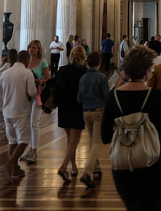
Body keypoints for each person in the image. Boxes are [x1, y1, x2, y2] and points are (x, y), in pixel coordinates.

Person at [101, 45, 161, 211]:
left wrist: (126, 132)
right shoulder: (155, 95)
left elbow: (105, 136)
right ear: (146, 71)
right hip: (150, 164)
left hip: (122, 165)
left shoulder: (113, 96)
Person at [0, 49, 35, 181]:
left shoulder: (5, 73)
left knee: (12, 141)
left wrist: (3, 109)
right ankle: (10, 164)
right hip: (21, 112)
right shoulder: (27, 73)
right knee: (23, 141)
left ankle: (16, 169)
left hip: (7, 112)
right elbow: (32, 92)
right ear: (27, 60)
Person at [55, 45, 88, 182]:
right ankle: (63, 167)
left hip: (64, 107)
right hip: (77, 107)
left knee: (70, 139)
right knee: (74, 140)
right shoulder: (85, 72)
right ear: (84, 57)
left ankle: (74, 166)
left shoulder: (63, 70)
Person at [77, 50, 110, 188]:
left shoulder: (83, 78)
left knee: (93, 141)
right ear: (99, 63)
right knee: (97, 142)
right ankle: (86, 172)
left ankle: (96, 169)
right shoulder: (102, 77)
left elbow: (79, 98)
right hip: (98, 112)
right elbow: (107, 96)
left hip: (86, 112)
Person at [22, 40, 50, 164]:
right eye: (30, 47)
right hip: (27, 94)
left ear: (38, 49)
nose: (31, 49)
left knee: (34, 122)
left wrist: (37, 81)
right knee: (28, 122)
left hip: (38, 94)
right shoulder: (26, 62)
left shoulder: (43, 62)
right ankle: (30, 149)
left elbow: (48, 79)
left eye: (34, 47)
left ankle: (34, 151)